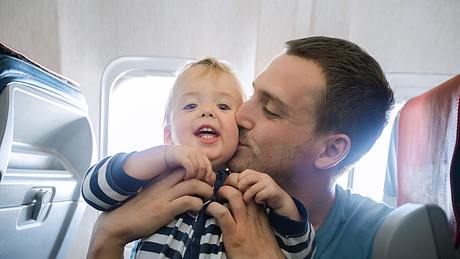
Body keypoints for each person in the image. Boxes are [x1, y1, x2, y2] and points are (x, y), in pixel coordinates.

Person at [87, 36, 395, 259]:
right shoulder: (163, 183)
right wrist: (108, 237)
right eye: (251, 96)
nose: (240, 114)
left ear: (330, 151)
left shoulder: (384, 239)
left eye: (270, 109)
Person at [82, 58, 316, 258]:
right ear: (168, 135)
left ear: (238, 132)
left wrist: (284, 204)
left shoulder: (248, 190)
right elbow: (93, 192)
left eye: (223, 106)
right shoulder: (151, 177)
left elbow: (301, 252)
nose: (207, 111)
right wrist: (157, 157)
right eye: (190, 105)